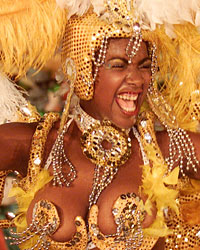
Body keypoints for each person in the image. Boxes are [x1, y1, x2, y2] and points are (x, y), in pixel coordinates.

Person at [0, 0, 199, 249]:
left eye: (145, 66)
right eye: (118, 65)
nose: (137, 79)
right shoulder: (37, 145)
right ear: (81, 70)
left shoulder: (168, 150)